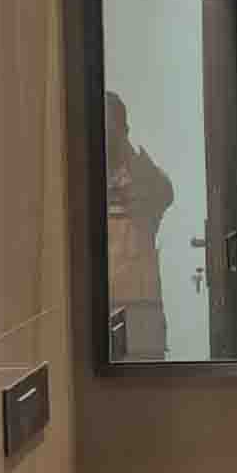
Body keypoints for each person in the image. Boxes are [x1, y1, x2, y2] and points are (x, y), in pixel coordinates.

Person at [105, 92, 174, 359]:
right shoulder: (79, 180)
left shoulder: (144, 183)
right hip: (96, 310)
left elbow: (165, 193)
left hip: (140, 316)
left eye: (110, 130)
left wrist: (126, 152)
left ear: (124, 130)